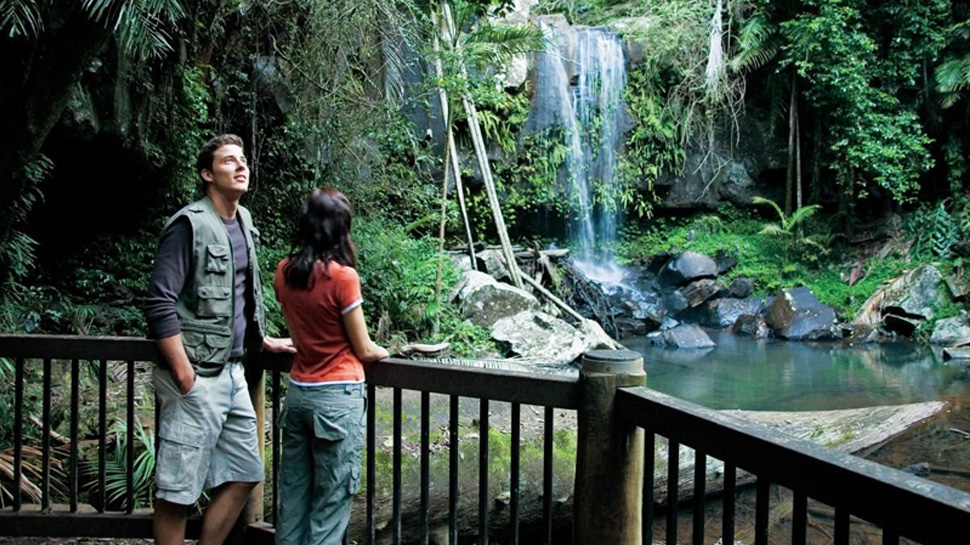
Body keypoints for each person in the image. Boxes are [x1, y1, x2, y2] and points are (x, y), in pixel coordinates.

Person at [144, 134, 296, 545]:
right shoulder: (188, 224)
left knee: (247, 471)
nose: (241, 165)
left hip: (234, 373)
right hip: (196, 376)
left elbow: (241, 293)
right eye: (229, 161)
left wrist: (261, 340)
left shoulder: (243, 220)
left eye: (243, 159)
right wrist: (184, 374)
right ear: (208, 174)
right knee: (177, 492)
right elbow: (160, 301)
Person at [273, 188, 389, 545]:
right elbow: (364, 348)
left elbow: (297, 338)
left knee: (292, 497)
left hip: (299, 395)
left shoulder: (284, 272)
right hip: (337, 398)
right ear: (341, 230)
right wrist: (386, 351)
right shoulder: (343, 278)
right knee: (331, 500)